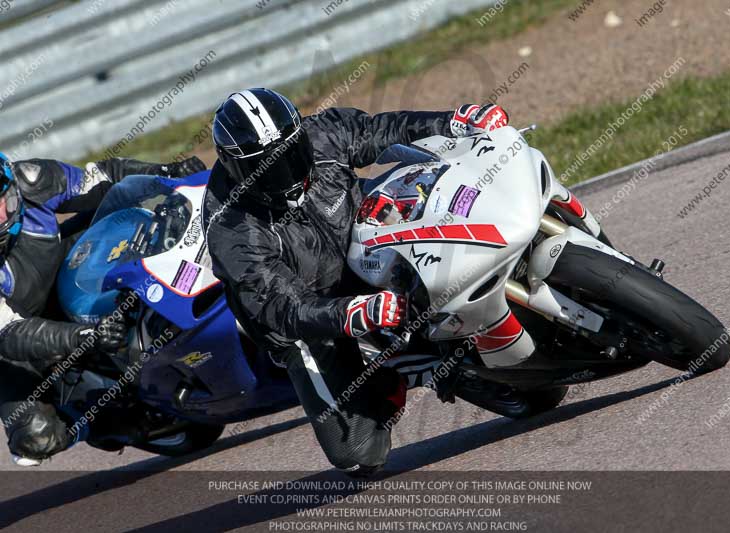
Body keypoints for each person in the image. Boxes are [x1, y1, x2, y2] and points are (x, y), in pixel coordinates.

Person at [202, 88, 509, 475]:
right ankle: (397, 374)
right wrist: (351, 312)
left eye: (293, 153)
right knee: (358, 453)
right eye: (269, 166)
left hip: (362, 242)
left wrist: (455, 121)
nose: (289, 173)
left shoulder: (320, 134)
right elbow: (284, 306)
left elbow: (383, 128)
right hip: (309, 319)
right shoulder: (231, 228)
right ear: (237, 169)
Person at [0, 153, 206, 466]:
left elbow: (103, 179)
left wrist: (166, 171)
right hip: (14, 347)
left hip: (63, 265)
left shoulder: (30, 179)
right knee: (36, 436)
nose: (0, 214)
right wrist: (85, 336)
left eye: (1, 199)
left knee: (121, 209)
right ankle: (90, 421)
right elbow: (11, 334)